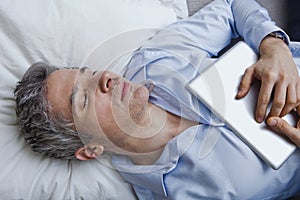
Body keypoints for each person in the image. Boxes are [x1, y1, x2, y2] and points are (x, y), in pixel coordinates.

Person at [14, 0, 300, 199]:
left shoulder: (157, 57)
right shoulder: (178, 194)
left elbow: (231, 6)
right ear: (91, 149)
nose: (105, 78)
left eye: (90, 73)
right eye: (84, 99)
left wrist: (274, 45)